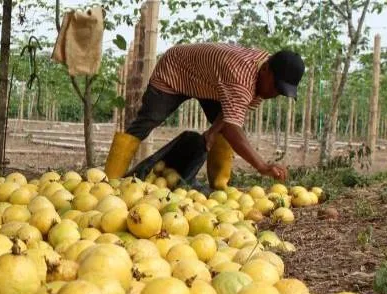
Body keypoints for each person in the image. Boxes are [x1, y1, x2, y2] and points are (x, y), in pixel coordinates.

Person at [104, 43, 305, 188]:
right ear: (266, 69)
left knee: (222, 132)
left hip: (210, 84)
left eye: (281, 91)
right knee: (148, 120)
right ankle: (109, 180)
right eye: (275, 86)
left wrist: (212, 132)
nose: (274, 93)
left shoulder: (264, 77)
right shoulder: (241, 78)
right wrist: (261, 165)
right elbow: (232, 126)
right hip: (175, 70)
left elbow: (229, 114)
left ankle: (219, 186)